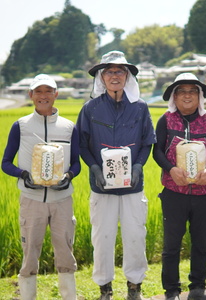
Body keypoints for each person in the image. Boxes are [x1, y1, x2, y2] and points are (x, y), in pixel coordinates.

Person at [76, 50, 156, 300]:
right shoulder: (90, 108)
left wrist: (138, 166)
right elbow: (81, 144)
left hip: (133, 185)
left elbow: (147, 142)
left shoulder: (140, 108)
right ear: (101, 77)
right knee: (103, 236)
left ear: (127, 76)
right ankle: (105, 289)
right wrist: (95, 167)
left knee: (135, 235)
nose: (114, 75)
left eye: (120, 71)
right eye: (109, 71)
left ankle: (134, 287)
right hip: (102, 187)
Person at [1, 74, 81, 300]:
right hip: (31, 200)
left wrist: (69, 175)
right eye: (39, 91)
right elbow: (5, 163)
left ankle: (69, 296)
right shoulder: (21, 126)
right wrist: (23, 175)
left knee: (65, 253)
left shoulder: (68, 127)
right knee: (29, 255)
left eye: (48, 91)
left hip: (62, 201)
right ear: (31, 95)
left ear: (56, 94)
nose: (43, 96)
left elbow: (76, 162)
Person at [153, 73, 206, 300]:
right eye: (181, 91)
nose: (187, 95)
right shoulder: (166, 119)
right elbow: (157, 151)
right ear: (174, 96)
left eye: (192, 91)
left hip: (204, 193)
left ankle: (198, 288)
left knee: (201, 243)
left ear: (199, 95)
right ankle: (172, 291)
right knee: (171, 245)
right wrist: (171, 169)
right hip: (174, 193)